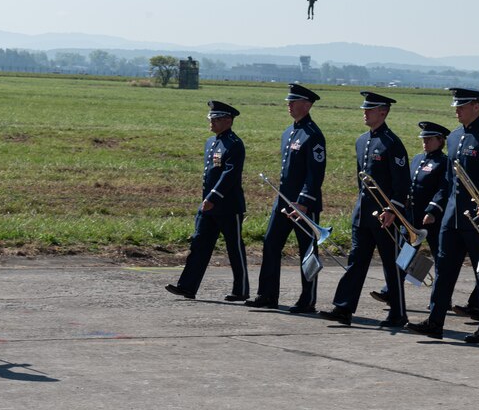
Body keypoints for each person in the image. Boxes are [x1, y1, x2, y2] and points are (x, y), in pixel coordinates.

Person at [407, 88, 479, 345]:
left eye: (462, 105)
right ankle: (435, 322)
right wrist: (435, 209)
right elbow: (447, 182)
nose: (457, 109)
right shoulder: (454, 137)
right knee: (444, 272)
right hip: (452, 218)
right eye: (456, 105)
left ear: (476, 107)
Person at [319, 92, 410, 327]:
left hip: (386, 217)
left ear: (383, 112)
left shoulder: (392, 143)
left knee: (392, 265)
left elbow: (402, 185)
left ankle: (398, 313)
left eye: (370, 109)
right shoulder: (362, 140)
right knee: (356, 262)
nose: (365, 112)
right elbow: (362, 181)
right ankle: (343, 308)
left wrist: (392, 210)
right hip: (364, 215)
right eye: (364, 109)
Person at [246, 84, 326, 313]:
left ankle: (307, 299)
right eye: (288, 102)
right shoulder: (289, 132)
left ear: (307, 105)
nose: (289, 105)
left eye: (294, 102)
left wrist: (304, 200)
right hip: (283, 202)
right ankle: (267, 294)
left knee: (307, 250)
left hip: (303, 204)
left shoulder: (313, 134)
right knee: (271, 243)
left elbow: (315, 173)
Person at [166, 101, 250, 302]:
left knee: (234, 248)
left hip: (228, 207)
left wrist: (213, 197)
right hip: (208, 206)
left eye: (215, 119)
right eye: (210, 118)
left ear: (228, 121)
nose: (211, 122)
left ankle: (241, 289)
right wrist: (207, 200)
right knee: (199, 244)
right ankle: (187, 286)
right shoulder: (211, 142)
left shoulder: (234, 144)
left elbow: (229, 175)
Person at [370, 120, 449, 306]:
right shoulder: (416, 159)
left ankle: (439, 300)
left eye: (430, 139)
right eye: (424, 138)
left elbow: (444, 190)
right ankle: (390, 291)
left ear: (440, 140)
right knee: (404, 255)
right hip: (411, 218)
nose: (425, 142)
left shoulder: (444, 162)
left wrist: (432, 210)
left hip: (432, 220)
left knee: (441, 260)